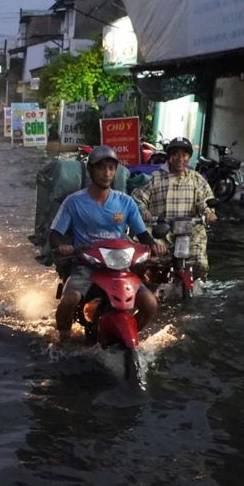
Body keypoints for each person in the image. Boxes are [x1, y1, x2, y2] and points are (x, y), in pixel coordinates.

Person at [49, 145, 167, 341]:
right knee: (69, 301)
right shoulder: (73, 202)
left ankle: (127, 337)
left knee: (150, 304)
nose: (107, 173)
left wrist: (154, 244)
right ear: (91, 170)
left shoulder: (126, 202)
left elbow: (142, 234)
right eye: (101, 168)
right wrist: (63, 245)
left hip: (119, 264)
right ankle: (63, 336)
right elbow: (55, 233)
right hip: (86, 264)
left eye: (111, 168)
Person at [131, 136, 218, 277]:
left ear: (189, 157)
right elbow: (137, 198)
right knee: (145, 261)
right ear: (169, 156)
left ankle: (195, 288)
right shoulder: (155, 177)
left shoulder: (196, 179)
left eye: (184, 155)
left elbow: (205, 200)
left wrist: (208, 213)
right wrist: (143, 210)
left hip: (191, 232)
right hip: (160, 231)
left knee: (199, 264)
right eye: (176, 154)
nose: (180, 158)